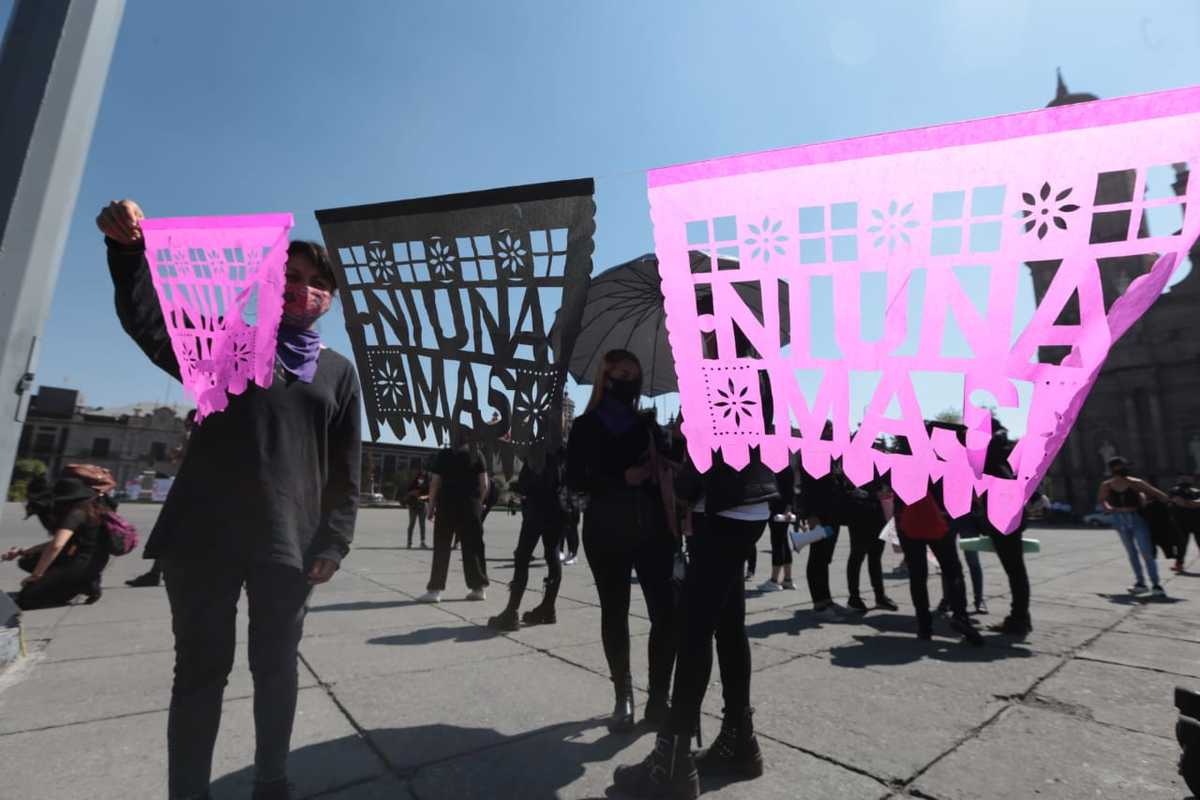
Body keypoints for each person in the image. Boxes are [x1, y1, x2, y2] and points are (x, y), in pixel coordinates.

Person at [98, 199, 361, 800]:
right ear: (270, 281)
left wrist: (336, 539)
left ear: (332, 300)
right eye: (293, 278)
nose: (305, 291)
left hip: (288, 541)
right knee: (198, 673)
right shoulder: (223, 340)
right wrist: (128, 251)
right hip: (203, 537)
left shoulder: (338, 373)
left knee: (275, 670)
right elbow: (148, 319)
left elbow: (346, 467)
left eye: (320, 285)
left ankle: (272, 782)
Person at [613, 445, 781, 799]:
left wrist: (683, 483)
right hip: (748, 502)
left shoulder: (710, 385)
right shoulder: (757, 384)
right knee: (729, 625)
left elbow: (710, 443)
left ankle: (672, 763)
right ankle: (739, 740)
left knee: (694, 629)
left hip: (723, 506)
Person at [567, 349, 676, 733]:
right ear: (605, 378)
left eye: (634, 374)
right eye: (621, 374)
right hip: (606, 529)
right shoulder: (585, 426)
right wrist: (619, 478)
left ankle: (659, 697)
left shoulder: (649, 425)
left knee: (665, 615)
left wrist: (664, 452)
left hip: (653, 530)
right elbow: (574, 482)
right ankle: (622, 695)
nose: (627, 381)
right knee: (615, 613)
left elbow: (674, 468)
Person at [4, 477, 111, 609]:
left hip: (82, 563)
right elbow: (60, 543)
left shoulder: (76, 513)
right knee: (27, 560)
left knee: (25, 600)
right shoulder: (89, 508)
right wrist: (24, 551)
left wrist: (36, 576)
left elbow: (56, 546)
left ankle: (82, 584)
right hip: (90, 560)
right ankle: (75, 583)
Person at [894, 485, 983, 645]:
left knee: (917, 573)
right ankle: (960, 615)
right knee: (952, 569)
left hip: (907, 515)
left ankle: (924, 625)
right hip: (938, 513)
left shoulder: (900, 459)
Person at [488, 450, 565, 630]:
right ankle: (548, 606)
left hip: (537, 511)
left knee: (522, 556)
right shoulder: (564, 450)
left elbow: (528, 483)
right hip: (559, 512)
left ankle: (511, 611)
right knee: (552, 556)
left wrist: (517, 486)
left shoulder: (539, 450)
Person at [129, 409, 197, 587]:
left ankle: (156, 573)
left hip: (188, 488)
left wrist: (178, 453)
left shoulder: (191, 434)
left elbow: (185, 455)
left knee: (170, 528)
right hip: (198, 489)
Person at [419, 437, 489, 603]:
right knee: (473, 547)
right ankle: (478, 588)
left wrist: (430, 507)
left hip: (447, 505)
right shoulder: (477, 455)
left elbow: (435, 483)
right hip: (471, 506)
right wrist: (479, 502)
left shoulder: (444, 455)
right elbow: (484, 484)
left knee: (442, 547)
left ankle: (434, 591)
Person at [1099, 456, 1171, 597]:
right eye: (1123, 466)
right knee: (1132, 553)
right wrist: (1109, 508)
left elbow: (1159, 494)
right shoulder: (1106, 485)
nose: (1125, 468)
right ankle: (1140, 583)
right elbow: (1102, 500)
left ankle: (1156, 585)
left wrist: (1155, 503)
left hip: (1137, 518)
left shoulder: (1136, 482)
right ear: (1114, 468)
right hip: (1119, 520)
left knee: (1146, 552)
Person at [797, 457, 846, 617]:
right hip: (819, 514)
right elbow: (808, 487)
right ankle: (819, 603)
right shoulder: (812, 452)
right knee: (817, 555)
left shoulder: (833, 455)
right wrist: (810, 514)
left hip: (833, 513)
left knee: (825, 557)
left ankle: (826, 598)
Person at [844, 475, 898, 613]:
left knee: (875, 556)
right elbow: (847, 488)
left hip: (877, 511)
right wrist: (872, 494)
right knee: (857, 555)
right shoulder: (852, 462)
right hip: (859, 512)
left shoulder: (880, 459)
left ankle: (880, 596)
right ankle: (854, 597)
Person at [757, 463, 796, 592]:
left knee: (777, 542)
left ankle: (774, 580)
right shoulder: (787, 467)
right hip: (784, 508)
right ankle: (788, 579)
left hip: (777, 509)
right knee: (783, 541)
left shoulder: (779, 468)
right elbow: (791, 491)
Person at [1171, 476, 1200, 572]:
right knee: (1181, 545)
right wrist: (1193, 504)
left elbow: (1185, 503)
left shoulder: (1196, 491)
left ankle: (1179, 564)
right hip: (1181, 523)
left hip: (1197, 522)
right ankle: (1179, 564)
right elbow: (1180, 502)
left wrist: (1189, 503)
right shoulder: (1175, 491)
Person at [404, 469, 430, 549]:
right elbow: (408, 493)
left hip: (422, 506)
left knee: (422, 525)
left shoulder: (427, 485)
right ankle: (409, 542)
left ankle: (422, 542)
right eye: (420, 477)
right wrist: (413, 493)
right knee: (412, 524)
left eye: (423, 477)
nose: (421, 479)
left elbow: (429, 495)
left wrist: (423, 497)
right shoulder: (413, 484)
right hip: (413, 506)